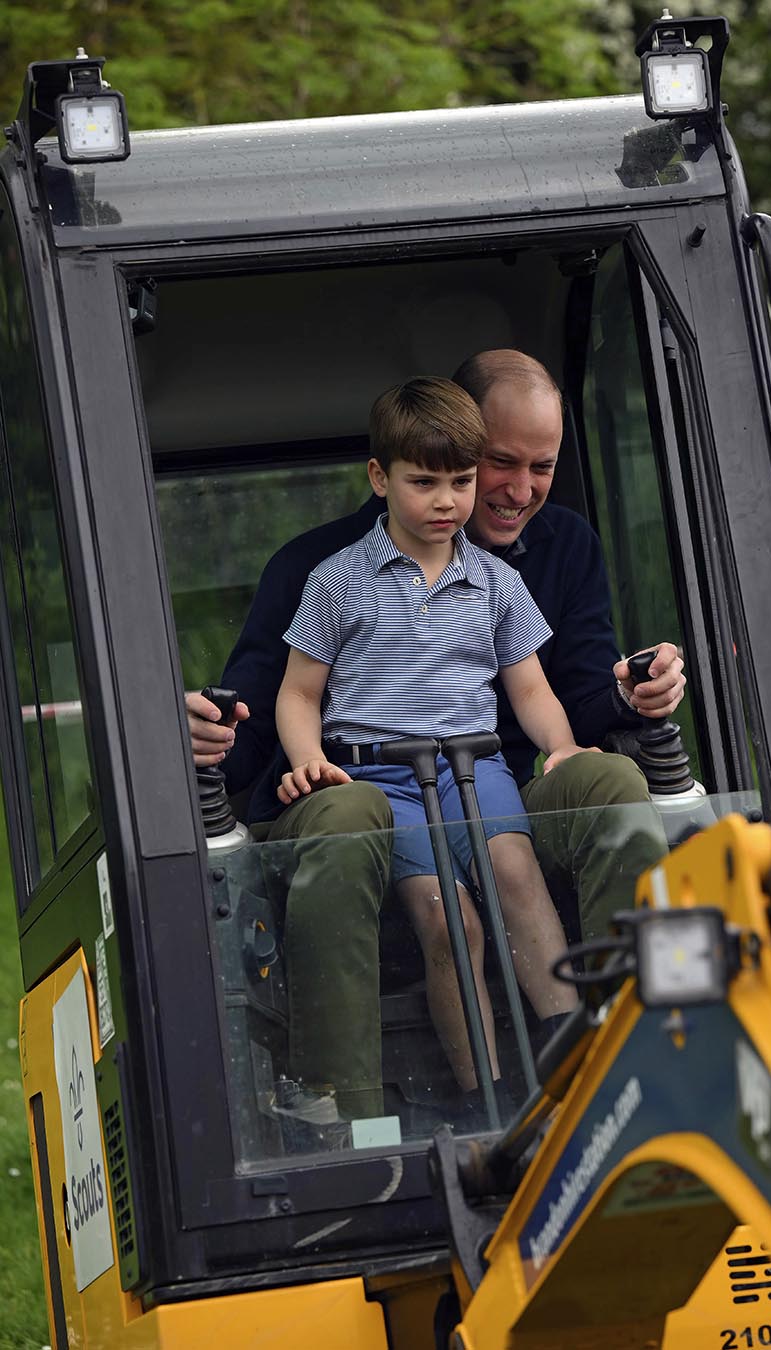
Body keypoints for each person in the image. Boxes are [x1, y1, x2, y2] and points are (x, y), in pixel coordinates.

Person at [187, 349, 684, 1123]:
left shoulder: (538, 563)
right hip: (367, 784)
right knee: (424, 895)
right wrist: (220, 742)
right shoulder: (324, 573)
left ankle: (620, 1063)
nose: (513, 491)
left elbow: (551, 691)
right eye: (493, 465)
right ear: (391, 472)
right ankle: (355, 1114)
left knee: (607, 791)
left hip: (486, 775)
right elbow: (277, 704)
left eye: (542, 467)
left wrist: (624, 698)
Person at [275, 376, 579, 1103]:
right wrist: (308, 761)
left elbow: (529, 687)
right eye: (425, 482)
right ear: (380, 478)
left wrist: (561, 748)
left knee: (516, 876)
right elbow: (298, 692)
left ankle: (577, 1063)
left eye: (462, 481)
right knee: (449, 919)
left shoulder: (498, 581)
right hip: (383, 780)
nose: (447, 501)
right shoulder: (337, 582)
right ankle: (491, 1095)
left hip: (476, 767)